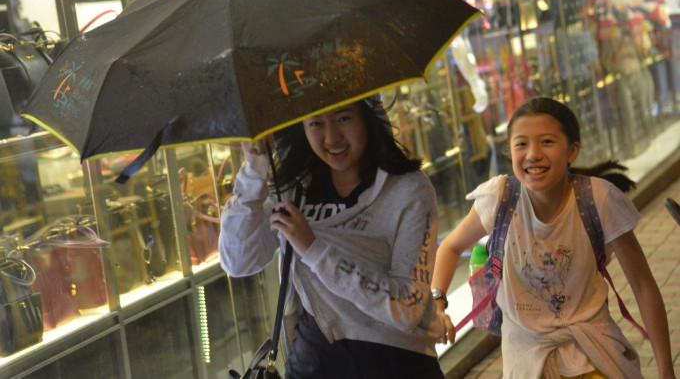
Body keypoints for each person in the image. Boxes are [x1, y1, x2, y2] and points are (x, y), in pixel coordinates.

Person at [431, 97, 676, 379]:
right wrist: (437, 303)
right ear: (509, 151)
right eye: (521, 144)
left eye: (546, 142)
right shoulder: (498, 199)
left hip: (596, 358)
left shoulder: (598, 199)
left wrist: (666, 369)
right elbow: (450, 247)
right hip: (527, 363)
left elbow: (643, 286)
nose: (533, 154)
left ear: (572, 150)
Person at [219, 96, 445, 379]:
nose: (331, 137)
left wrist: (313, 248)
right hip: (313, 363)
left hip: (395, 364)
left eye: (343, 118)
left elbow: (406, 309)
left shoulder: (408, 188)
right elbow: (238, 262)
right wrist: (254, 172)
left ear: (368, 117)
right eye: (316, 123)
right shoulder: (292, 186)